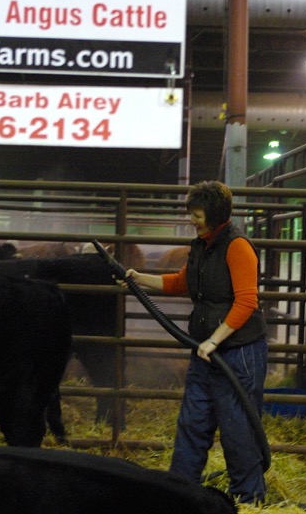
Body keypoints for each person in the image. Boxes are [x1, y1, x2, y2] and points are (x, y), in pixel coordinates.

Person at [118, 180, 268, 504]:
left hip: (237, 354)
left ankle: (249, 501)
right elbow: (181, 282)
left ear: (214, 214)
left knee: (238, 429)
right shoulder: (202, 244)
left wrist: (214, 340)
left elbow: (246, 302)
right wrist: (138, 277)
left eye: (197, 214)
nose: (192, 219)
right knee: (192, 424)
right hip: (205, 352)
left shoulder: (237, 246)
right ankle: (178, 497)